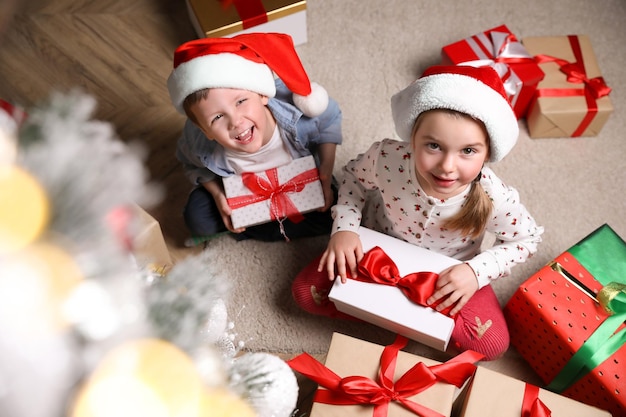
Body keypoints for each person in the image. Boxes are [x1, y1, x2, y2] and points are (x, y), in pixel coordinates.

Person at [291, 65, 544, 360]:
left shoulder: (493, 195)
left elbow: (527, 239)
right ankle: (391, 317)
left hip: (450, 270)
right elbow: (353, 179)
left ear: (487, 153)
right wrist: (345, 229)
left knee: (491, 343)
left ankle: (400, 318)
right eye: (434, 146)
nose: (447, 166)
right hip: (375, 247)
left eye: (468, 151)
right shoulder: (386, 156)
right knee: (305, 293)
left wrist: (475, 272)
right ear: (413, 138)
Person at [167, 33, 343, 244]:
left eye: (241, 101)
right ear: (205, 130)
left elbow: (329, 119)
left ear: (262, 93)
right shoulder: (198, 141)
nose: (235, 122)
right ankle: (259, 223)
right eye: (218, 117)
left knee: (335, 209)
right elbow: (193, 164)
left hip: (299, 178)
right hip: (238, 188)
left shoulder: (297, 112)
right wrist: (218, 196)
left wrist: (326, 167)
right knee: (197, 219)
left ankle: (257, 228)